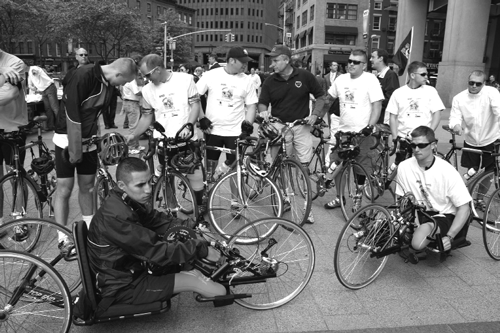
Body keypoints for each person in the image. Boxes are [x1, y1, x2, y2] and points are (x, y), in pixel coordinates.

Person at [87, 157, 226, 305]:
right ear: (122, 185)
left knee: (182, 254)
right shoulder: (117, 217)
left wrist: (191, 225)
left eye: (149, 182)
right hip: (122, 286)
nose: (148, 189)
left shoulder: (123, 199)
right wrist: (201, 249)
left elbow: (155, 219)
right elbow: (154, 250)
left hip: (128, 269)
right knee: (216, 290)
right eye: (140, 185)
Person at [53, 57, 136, 254]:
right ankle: (63, 237)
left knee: (88, 187)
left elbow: (96, 114)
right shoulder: (83, 75)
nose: (122, 86)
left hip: (88, 140)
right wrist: (74, 149)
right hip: (66, 138)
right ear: (118, 74)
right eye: (123, 82)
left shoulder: (108, 84)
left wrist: (97, 140)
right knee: (64, 188)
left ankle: (90, 231)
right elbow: (72, 112)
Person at [258, 45, 326, 223]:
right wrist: (264, 111)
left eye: (275, 60)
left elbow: (321, 96)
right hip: (280, 126)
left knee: (303, 167)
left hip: (301, 126)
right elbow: (263, 102)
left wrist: (315, 115)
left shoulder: (304, 76)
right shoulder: (270, 81)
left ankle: (306, 208)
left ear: (286, 60)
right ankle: (284, 196)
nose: (272, 64)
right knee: (281, 164)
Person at [127, 54, 204, 212]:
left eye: (147, 75)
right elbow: (147, 116)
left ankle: (199, 211)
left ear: (157, 70)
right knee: (167, 178)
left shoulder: (186, 79)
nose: (146, 79)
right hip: (164, 140)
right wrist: (133, 135)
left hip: (186, 138)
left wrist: (189, 125)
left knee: (195, 176)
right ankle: (172, 212)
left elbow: (195, 105)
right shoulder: (147, 90)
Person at [196, 47, 258, 216]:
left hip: (234, 131)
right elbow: (194, 96)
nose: (245, 65)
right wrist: (201, 118)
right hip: (213, 129)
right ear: (232, 60)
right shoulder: (211, 75)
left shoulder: (247, 81)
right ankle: (206, 198)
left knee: (234, 168)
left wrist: (247, 126)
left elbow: (251, 105)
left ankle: (235, 201)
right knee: (210, 167)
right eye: (242, 62)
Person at [324, 49, 384, 210]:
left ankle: (358, 198)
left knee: (361, 168)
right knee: (337, 164)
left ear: (364, 65)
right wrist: (317, 117)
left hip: (363, 133)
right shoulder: (341, 79)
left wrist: (370, 126)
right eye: (349, 61)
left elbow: (377, 105)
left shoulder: (370, 79)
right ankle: (339, 197)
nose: (351, 64)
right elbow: (328, 99)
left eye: (356, 62)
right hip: (343, 132)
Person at [396, 126, 471, 253]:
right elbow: (401, 199)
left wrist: (449, 237)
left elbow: (465, 208)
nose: (416, 149)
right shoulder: (404, 167)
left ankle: (434, 238)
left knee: (417, 243)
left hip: (443, 215)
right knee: (386, 230)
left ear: (433, 145)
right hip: (418, 213)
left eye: (421, 145)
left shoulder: (447, 171)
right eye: (413, 146)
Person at [449, 70, 500, 207]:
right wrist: (456, 125)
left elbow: (498, 110)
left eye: (478, 84)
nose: (474, 86)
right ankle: (467, 198)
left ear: (484, 84)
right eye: (471, 83)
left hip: (491, 138)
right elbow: (454, 117)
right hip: (471, 140)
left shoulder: (492, 93)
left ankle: (479, 199)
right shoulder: (459, 98)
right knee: (472, 171)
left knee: (488, 173)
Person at [387, 61, 444, 168]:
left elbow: (437, 113)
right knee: (400, 167)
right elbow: (393, 116)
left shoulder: (431, 91)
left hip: (424, 139)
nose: (426, 77)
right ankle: (387, 182)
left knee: (424, 167)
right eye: (423, 74)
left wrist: (429, 133)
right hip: (403, 137)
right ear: (412, 75)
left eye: (426, 74)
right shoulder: (398, 93)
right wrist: (395, 138)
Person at [0, 49, 29, 229]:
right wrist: (2, 75)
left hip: (13, 130)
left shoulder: (15, 64)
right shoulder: (6, 69)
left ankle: (21, 220)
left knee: (15, 177)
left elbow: (8, 94)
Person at [370, 49, 399, 124]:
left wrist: (374, 105)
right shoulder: (377, 76)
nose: (370, 59)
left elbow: (391, 98)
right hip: (377, 118)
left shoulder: (391, 75)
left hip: (383, 121)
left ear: (381, 58)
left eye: (373, 57)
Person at [28, 66, 59, 131]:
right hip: (42, 91)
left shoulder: (33, 68)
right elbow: (30, 84)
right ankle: (50, 126)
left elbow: (35, 71)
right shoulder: (29, 72)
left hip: (49, 87)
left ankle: (60, 126)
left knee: (55, 108)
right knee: (48, 109)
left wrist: (35, 72)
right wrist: (32, 87)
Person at [121, 70, 145, 154]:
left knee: (136, 125)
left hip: (132, 103)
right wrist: (147, 91)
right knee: (133, 126)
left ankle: (136, 145)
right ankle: (131, 147)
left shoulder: (131, 80)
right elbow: (137, 92)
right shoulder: (132, 81)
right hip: (132, 103)